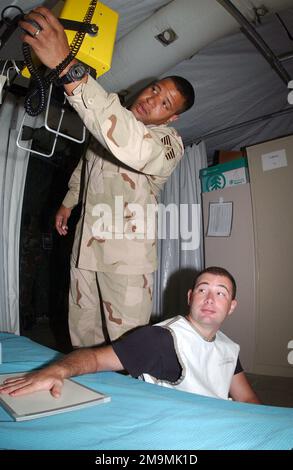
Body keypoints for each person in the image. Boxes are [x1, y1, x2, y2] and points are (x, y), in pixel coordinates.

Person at [18, 7, 195, 347]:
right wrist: (69, 204)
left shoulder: (168, 144)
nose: (153, 100)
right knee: (83, 338)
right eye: (156, 89)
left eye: (165, 103)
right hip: (87, 246)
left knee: (127, 348)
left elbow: (135, 147)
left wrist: (68, 68)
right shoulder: (105, 128)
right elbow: (86, 168)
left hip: (126, 260)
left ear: (171, 118)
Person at [0, 267, 260, 404]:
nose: (211, 298)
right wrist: (57, 371)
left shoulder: (228, 347)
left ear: (232, 306)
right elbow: (96, 358)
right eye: (203, 290)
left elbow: (246, 398)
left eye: (221, 293)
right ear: (190, 297)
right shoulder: (161, 340)